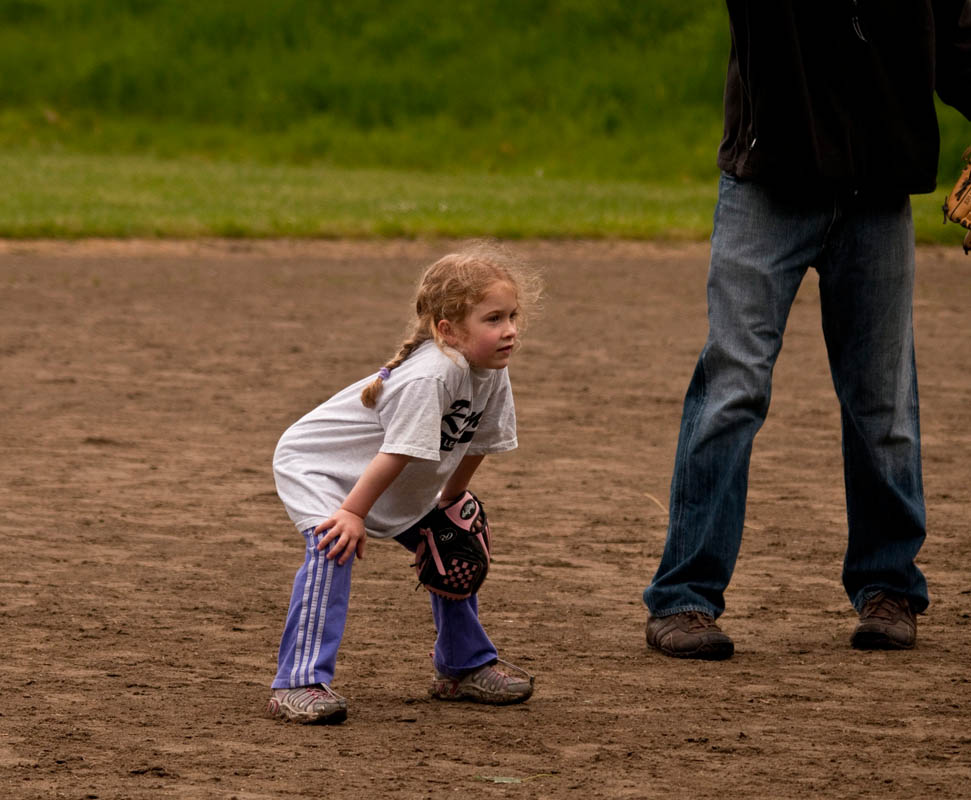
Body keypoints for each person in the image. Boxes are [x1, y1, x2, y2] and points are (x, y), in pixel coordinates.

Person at [643, 0, 971, 660]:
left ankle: (888, 587)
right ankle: (684, 596)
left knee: (883, 403)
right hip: (767, 181)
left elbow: (959, 35)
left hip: (878, 189)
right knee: (732, 385)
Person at [266, 243, 542, 723]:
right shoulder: (432, 377)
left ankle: (462, 666)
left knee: (454, 540)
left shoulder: (491, 371)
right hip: (321, 467)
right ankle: (297, 681)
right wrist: (350, 513)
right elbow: (395, 453)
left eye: (512, 316)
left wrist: (450, 503)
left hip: (381, 474)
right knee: (334, 548)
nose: (510, 330)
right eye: (493, 319)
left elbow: (477, 445)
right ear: (447, 330)